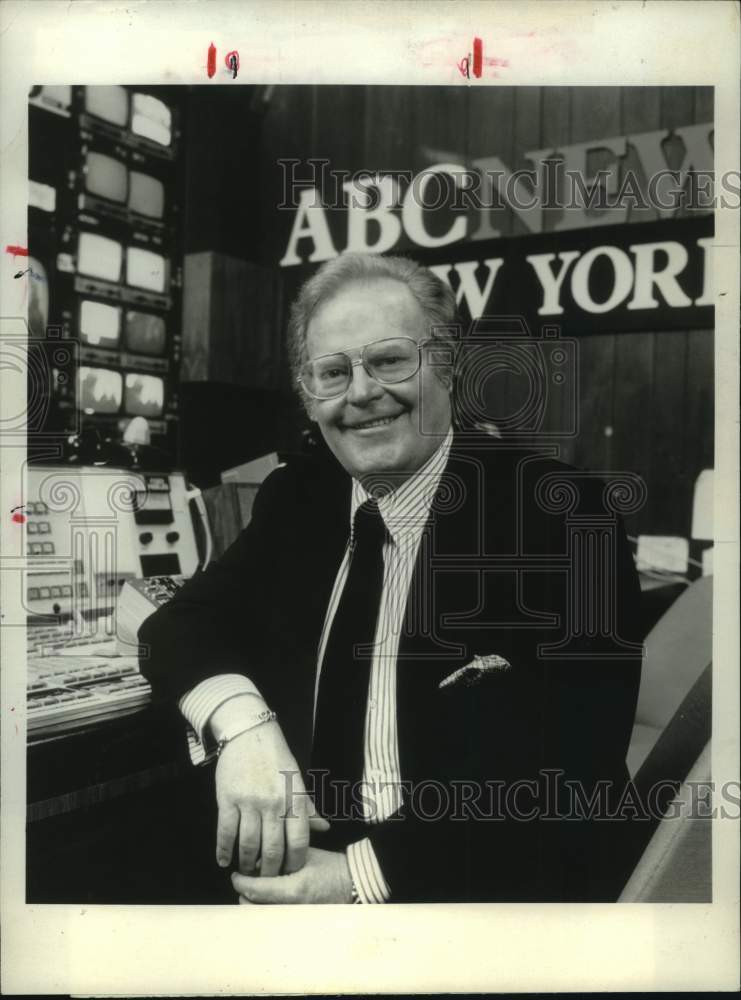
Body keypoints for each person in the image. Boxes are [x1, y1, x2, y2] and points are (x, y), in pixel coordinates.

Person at [139, 252, 643, 904]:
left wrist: (355, 879)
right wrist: (243, 727)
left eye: (388, 361)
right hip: (300, 880)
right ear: (307, 394)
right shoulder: (299, 498)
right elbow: (177, 624)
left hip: (482, 904)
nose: (360, 393)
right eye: (332, 371)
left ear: (449, 365)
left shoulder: (565, 520)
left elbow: (574, 789)